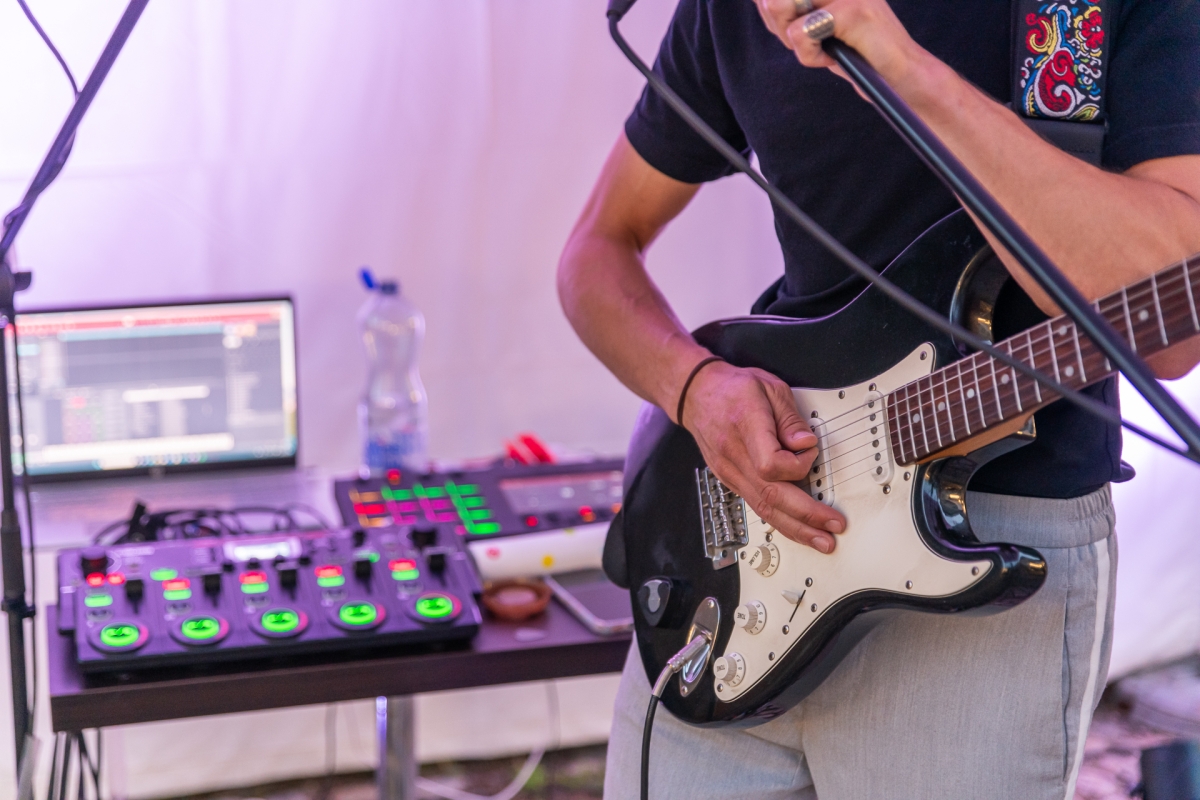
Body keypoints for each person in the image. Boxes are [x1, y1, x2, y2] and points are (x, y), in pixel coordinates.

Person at [556, 0, 1200, 797]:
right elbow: (595, 252)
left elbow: (1167, 331)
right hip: (751, 539)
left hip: (990, 567)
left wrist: (897, 63)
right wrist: (694, 389)